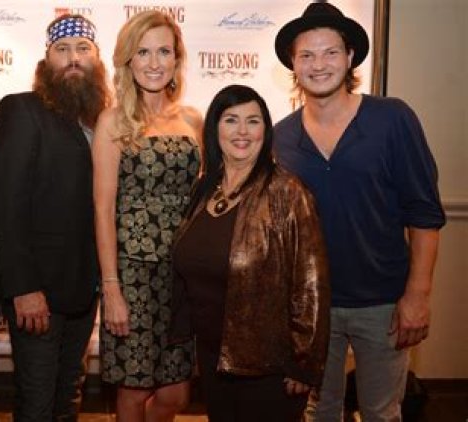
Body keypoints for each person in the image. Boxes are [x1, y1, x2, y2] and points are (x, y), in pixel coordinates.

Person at [273, 3, 446, 421]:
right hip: (313, 307)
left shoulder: (392, 119)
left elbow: (424, 214)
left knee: (382, 412)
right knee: (319, 411)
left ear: (350, 56)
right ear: (293, 64)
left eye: (330, 52)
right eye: (306, 55)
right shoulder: (281, 137)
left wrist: (417, 296)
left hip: (384, 303)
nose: (318, 65)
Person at [170, 84, 330, 421]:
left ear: (265, 131)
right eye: (231, 120)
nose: (242, 131)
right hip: (212, 357)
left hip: (268, 367)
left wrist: (304, 363)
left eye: (253, 121)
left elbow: (311, 284)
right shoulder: (203, 189)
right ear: (214, 129)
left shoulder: (287, 192)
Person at [0, 14, 111, 421]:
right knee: (37, 403)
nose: (73, 58)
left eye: (83, 49)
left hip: (84, 290)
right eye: (62, 49)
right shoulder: (22, 109)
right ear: (46, 62)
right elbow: (5, 205)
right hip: (37, 291)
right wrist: (24, 287)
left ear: (97, 60)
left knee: (68, 396)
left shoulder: (104, 120)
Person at [92, 10, 202, 421]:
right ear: (128, 60)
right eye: (143, 52)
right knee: (134, 390)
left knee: (176, 394)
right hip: (133, 274)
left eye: (164, 52)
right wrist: (112, 289)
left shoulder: (192, 120)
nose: (154, 63)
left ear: (176, 59)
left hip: (181, 273)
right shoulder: (113, 121)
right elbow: (103, 209)